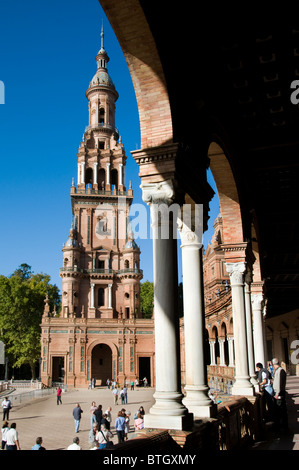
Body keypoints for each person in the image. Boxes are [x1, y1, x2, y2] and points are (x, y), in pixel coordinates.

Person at [272, 357, 289, 433]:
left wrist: (277, 393)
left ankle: (282, 427)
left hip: (279, 394)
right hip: (279, 393)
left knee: (280, 410)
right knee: (280, 410)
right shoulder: (279, 371)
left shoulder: (280, 371)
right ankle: (282, 426)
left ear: (273, 364)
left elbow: (280, 383)